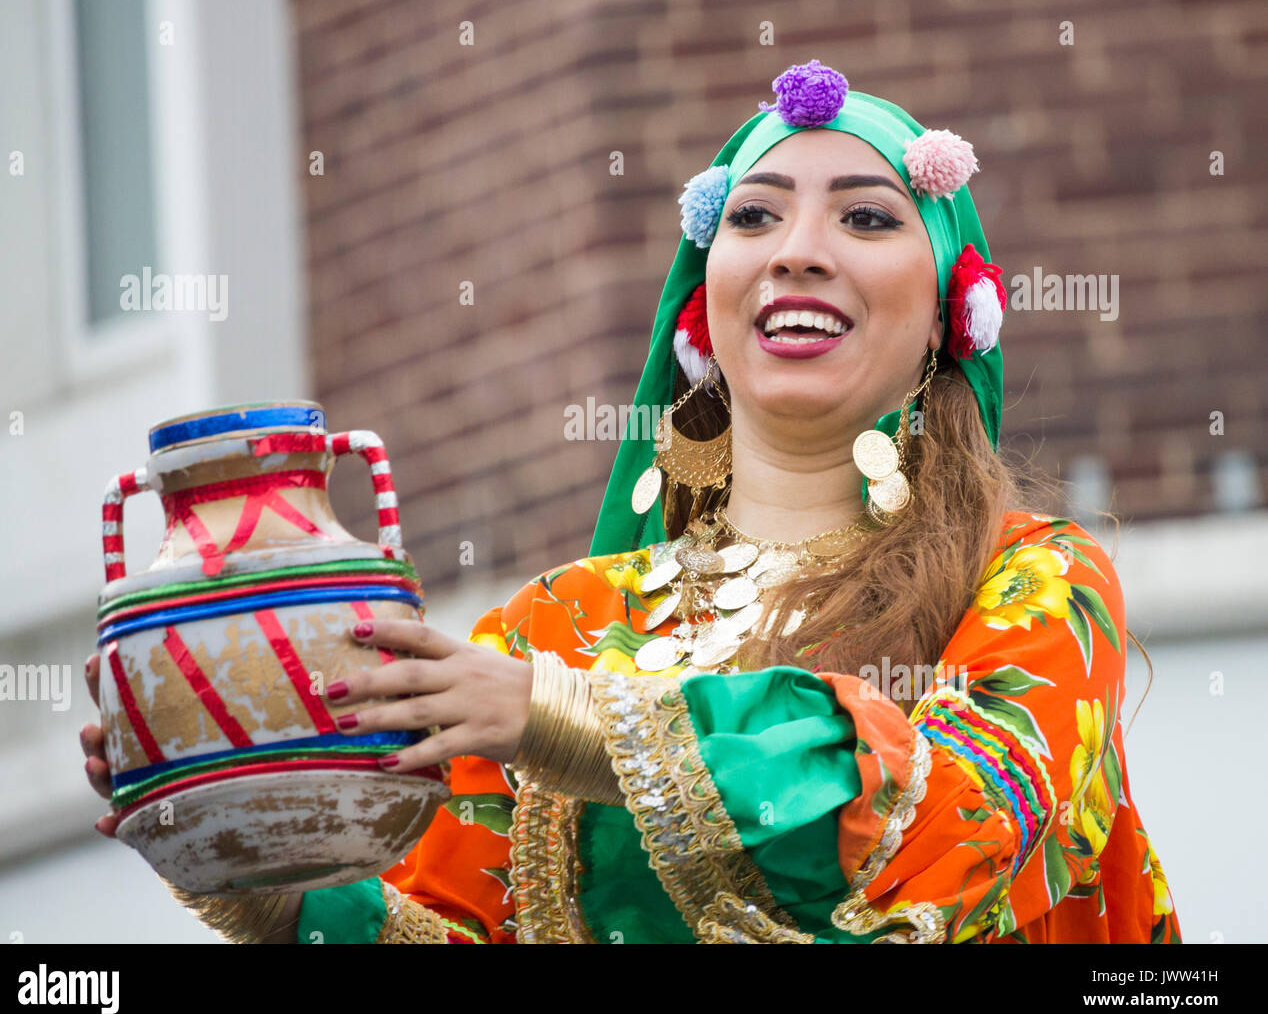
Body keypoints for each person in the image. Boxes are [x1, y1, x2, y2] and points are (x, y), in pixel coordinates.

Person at [80, 60, 1179, 944]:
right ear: (702, 308)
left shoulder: (1033, 581)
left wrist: (560, 722)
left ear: (950, 313)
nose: (797, 251)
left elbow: (960, 820)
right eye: (752, 218)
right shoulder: (553, 627)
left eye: (866, 219)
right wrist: (248, 861)